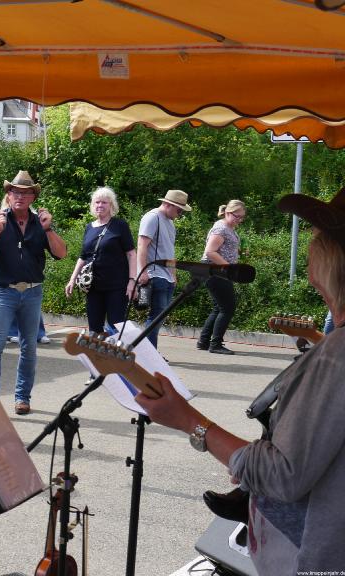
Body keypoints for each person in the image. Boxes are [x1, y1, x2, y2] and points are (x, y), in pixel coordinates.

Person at [137, 189, 345, 575]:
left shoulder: (336, 356)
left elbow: (282, 475)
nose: (310, 247)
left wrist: (188, 420)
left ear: (331, 259)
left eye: (317, 237)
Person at [0, 170, 67, 415]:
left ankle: (22, 398)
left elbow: (61, 253)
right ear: (8, 194)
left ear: (33, 198)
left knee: (29, 347)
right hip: (4, 292)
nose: (20, 197)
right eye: (16, 192)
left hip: (32, 292)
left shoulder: (40, 222)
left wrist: (48, 230)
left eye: (26, 193)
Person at [64, 187, 136, 334]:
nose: (100, 205)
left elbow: (131, 254)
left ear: (111, 206)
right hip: (93, 286)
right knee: (94, 327)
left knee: (117, 326)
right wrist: (72, 279)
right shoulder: (89, 227)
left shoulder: (120, 225)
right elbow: (83, 256)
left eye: (104, 202)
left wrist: (132, 280)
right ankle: (97, 356)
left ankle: (117, 355)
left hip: (117, 286)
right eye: (97, 202)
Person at [137, 190, 191, 349]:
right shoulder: (152, 217)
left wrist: (173, 275)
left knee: (160, 317)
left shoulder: (170, 222)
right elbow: (142, 245)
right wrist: (142, 271)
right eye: (179, 210)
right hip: (154, 273)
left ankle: (148, 352)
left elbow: (169, 250)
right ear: (168, 204)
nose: (180, 214)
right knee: (156, 317)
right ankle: (148, 353)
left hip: (167, 276)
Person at [196, 199, 247, 355]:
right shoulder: (221, 228)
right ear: (227, 212)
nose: (239, 220)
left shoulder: (229, 228)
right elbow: (210, 252)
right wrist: (228, 267)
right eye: (236, 216)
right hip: (216, 271)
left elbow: (223, 248)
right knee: (228, 308)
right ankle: (215, 344)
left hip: (217, 271)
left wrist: (236, 253)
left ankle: (204, 341)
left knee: (219, 307)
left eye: (242, 217)